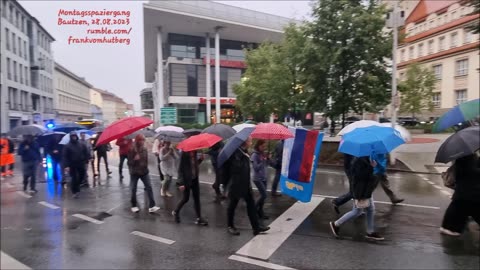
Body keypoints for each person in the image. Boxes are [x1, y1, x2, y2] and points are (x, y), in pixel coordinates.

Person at [222, 137, 270, 236]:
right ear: (244, 142)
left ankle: (256, 228)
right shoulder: (236, 153)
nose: (251, 142)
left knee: (251, 205)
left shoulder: (244, 152)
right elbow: (236, 168)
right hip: (236, 184)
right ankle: (230, 226)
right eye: (250, 141)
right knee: (232, 206)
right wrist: (244, 157)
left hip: (245, 183)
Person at [329, 156, 384, 241]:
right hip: (360, 191)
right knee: (357, 211)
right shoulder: (359, 160)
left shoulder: (366, 158)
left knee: (370, 209)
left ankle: (370, 232)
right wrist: (371, 167)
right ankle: (336, 224)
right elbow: (359, 176)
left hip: (366, 189)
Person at [440, 153, 480, 236]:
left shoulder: (459, 163)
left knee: (457, 210)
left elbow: (453, 179)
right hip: (472, 196)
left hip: (462, 195)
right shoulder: (472, 161)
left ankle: (448, 228)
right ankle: (450, 228)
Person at [172, 149, 208, 225]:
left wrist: (200, 159)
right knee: (186, 198)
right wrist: (181, 183)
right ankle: (176, 211)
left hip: (194, 179)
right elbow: (180, 169)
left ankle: (199, 218)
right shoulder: (184, 154)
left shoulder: (194, 153)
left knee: (197, 199)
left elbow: (195, 165)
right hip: (186, 180)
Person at [127, 134, 160, 213]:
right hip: (134, 172)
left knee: (149, 187)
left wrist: (145, 168)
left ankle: (152, 206)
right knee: (133, 189)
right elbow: (129, 163)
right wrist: (134, 159)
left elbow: (146, 160)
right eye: (141, 140)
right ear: (137, 141)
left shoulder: (144, 149)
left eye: (143, 140)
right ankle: (134, 205)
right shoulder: (131, 149)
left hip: (144, 172)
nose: (142, 142)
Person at [63, 132, 90, 198]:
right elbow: (65, 156)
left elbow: (86, 152)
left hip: (81, 163)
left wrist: (86, 160)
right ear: (71, 137)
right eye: (72, 136)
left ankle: (77, 186)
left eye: (75, 136)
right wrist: (66, 165)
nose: (74, 138)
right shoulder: (68, 146)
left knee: (82, 175)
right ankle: (74, 191)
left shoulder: (81, 144)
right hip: (72, 164)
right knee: (74, 178)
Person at [251, 139, 270, 219]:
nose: (264, 148)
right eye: (262, 146)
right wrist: (262, 161)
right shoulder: (254, 155)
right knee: (264, 195)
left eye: (265, 146)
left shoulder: (262, 154)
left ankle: (260, 212)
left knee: (264, 196)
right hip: (257, 178)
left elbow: (266, 164)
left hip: (264, 177)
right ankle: (254, 210)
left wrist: (268, 159)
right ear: (258, 146)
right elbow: (256, 168)